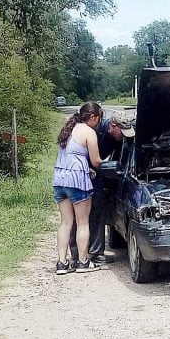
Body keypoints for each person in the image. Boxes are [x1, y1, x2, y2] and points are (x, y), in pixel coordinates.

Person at [69, 110, 135, 264]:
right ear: (113, 126)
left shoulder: (120, 138)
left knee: (98, 209)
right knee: (78, 216)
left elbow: (121, 158)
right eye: (122, 132)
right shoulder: (94, 131)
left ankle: (96, 253)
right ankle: (76, 255)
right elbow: (79, 153)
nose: (125, 136)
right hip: (81, 173)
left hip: (97, 173)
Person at [52, 101, 104, 274]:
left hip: (60, 180)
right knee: (82, 223)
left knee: (66, 223)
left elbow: (70, 156)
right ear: (94, 117)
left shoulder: (68, 129)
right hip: (77, 181)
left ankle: (62, 263)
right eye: (98, 119)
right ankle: (83, 262)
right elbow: (96, 161)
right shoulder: (89, 132)